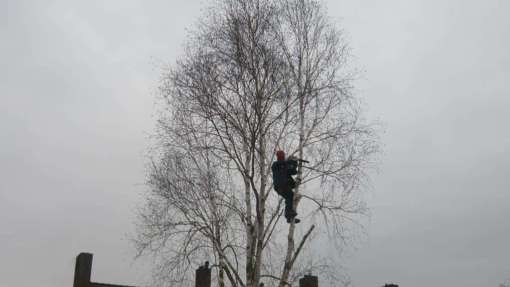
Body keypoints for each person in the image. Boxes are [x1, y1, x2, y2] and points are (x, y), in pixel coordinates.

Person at [271, 150, 301, 224]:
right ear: (279, 157)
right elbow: (284, 163)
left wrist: (294, 163)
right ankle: (288, 214)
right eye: (281, 156)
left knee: (290, 197)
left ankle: (289, 218)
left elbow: (293, 171)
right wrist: (290, 160)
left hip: (284, 185)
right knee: (290, 196)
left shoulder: (284, 167)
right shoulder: (276, 164)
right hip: (281, 185)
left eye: (283, 155)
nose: (283, 157)